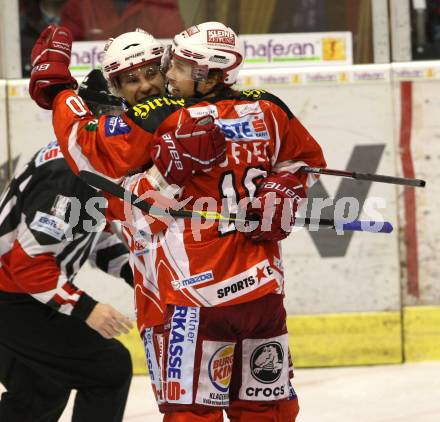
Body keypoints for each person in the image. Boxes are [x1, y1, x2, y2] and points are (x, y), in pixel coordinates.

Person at [28, 22, 326, 421]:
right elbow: (303, 162)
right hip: (256, 286)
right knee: (265, 408)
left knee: (203, 413)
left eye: (164, 68)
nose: (160, 79)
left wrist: (60, 93)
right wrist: (285, 186)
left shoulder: (161, 118)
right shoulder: (267, 107)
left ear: (207, 73)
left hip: (189, 301)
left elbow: (98, 166)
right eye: (132, 79)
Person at [0, 69, 134, 422]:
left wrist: (136, 274)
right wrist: (87, 308)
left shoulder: (85, 161)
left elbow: (92, 233)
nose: (128, 130)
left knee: (38, 393)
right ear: (97, 119)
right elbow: (28, 267)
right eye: (120, 120)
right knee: (110, 368)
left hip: (16, 296)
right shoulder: (67, 172)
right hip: (12, 298)